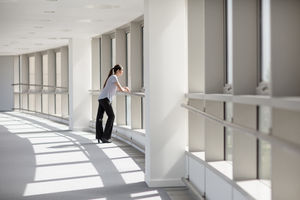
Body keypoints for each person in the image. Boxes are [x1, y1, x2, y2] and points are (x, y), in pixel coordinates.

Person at [96, 64, 130, 143]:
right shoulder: (114, 77)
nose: (122, 72)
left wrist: (124, 88)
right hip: (105, 99)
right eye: (122, 70)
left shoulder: (112, 78)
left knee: (100, 118)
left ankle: (99, 136)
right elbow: (121, 89)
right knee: (111, 116)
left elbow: (117, 89)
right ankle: (105, 137)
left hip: (102, 98)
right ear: (118, 71)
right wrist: (126, 89)